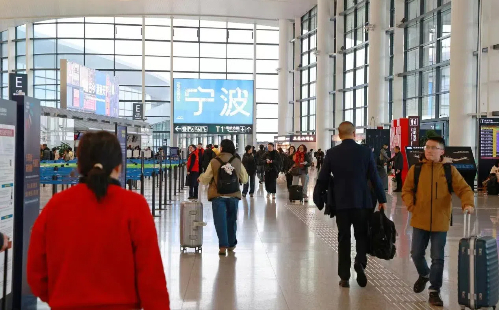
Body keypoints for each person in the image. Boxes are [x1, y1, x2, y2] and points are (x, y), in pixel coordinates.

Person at [27, 131, 170, 309]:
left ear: (79, 166)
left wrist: (60, 298)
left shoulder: (55, 206)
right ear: (118, 166)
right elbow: (151, 275)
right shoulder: (134, 206)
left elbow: (36, 272)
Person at [401, 136, 474, 307]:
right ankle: (425, 274)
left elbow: (464, 189)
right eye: (427, 147)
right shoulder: (416, 169)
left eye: (434, 148)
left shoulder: (449, 170)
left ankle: (434, 291)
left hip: (440, 221)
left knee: (437, 258)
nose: (429, 150)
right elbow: (406, 190)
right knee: (416, 254)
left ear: (442, 151)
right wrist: (412, 206)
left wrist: (468, 203)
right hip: (420, 220)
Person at [317, 121, 387, 288]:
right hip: (363, 201)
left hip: (341, 203)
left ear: (339, 135)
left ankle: (344, 277)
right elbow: (375, 177)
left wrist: (319, 197)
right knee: (362, 235)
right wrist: (382, 199)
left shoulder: (332, 153)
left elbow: (323, 178)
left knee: (344, 238)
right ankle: (360, 263)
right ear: (354, 134)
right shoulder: (365, 152)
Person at [198, 139, 248, 255]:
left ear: (221, 148)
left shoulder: (214, 161)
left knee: (220, 221)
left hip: (218, 195)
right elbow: (245, 178)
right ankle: (231, 244)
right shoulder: (237, 161)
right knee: (231, 220)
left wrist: (200, 178)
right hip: (233, 195)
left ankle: (222, 246)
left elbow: (205, 178)